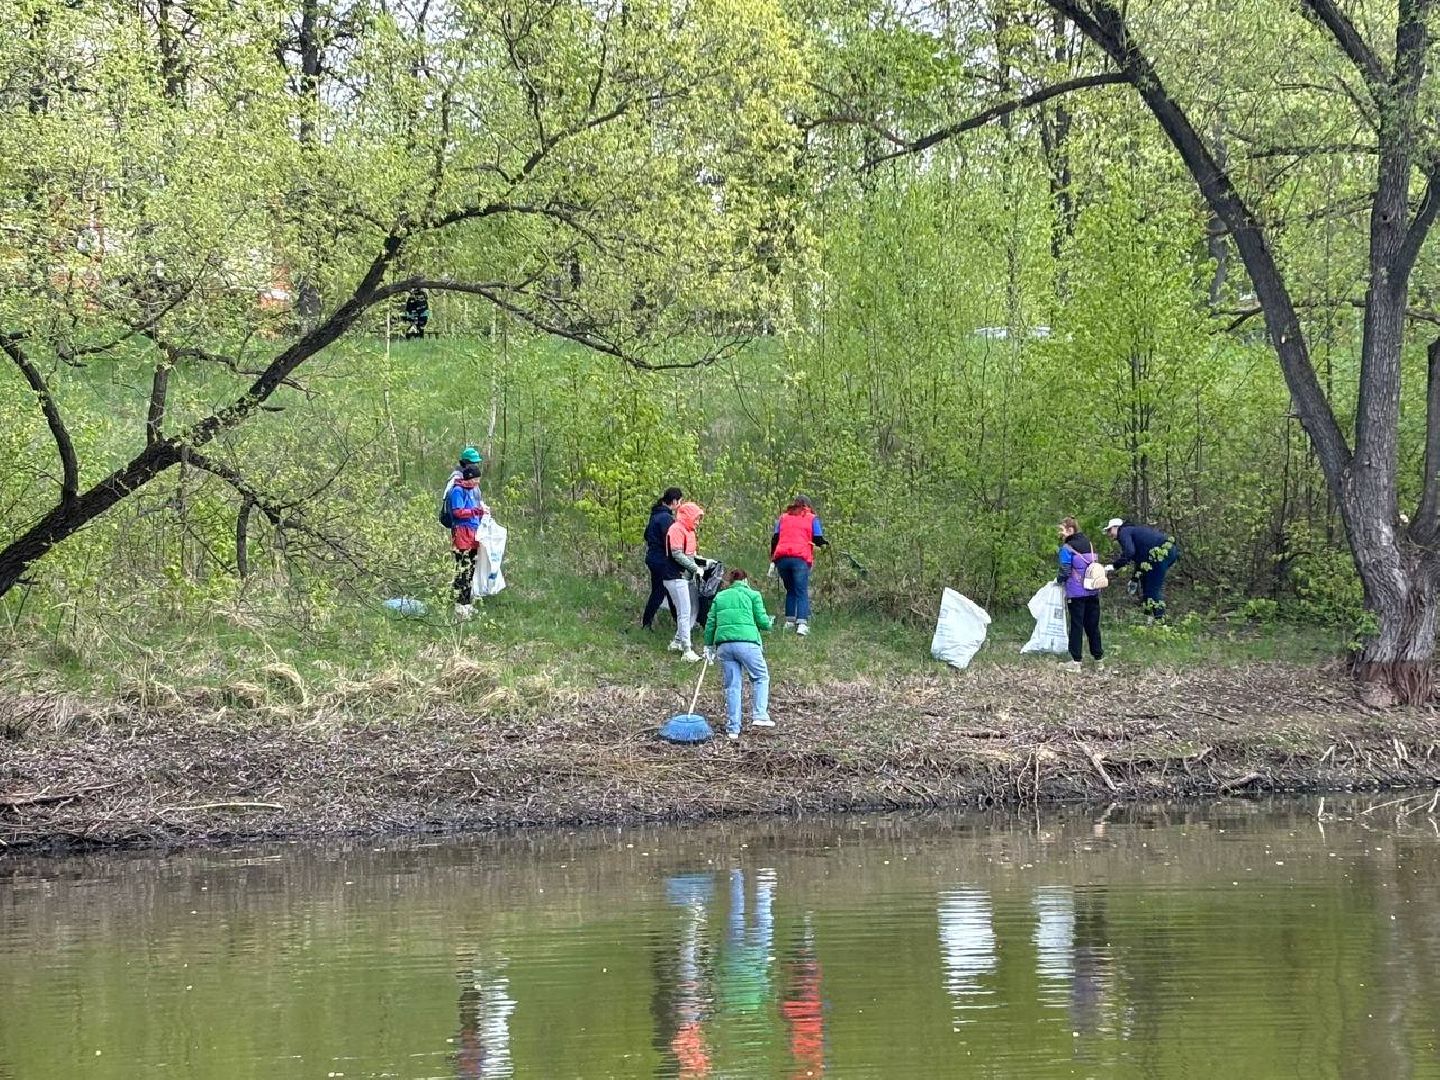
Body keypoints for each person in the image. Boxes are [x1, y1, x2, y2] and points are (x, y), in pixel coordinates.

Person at [703, 568, 774, 739]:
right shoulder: (753, 595)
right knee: (760, 677)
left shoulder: (720, 597)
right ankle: (760, 715)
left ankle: (733, 728)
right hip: (747, 643)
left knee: (733, 686)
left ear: (730, 581)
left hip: (724, 646)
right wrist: (770, 622)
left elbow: (710, 623)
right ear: (746, 580)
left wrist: (708, 646)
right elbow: (763, 623)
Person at [770, 496, 827, 636]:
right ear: (808, 505)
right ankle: (802, 624)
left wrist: (773, 558)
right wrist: (825, 545)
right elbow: (818, 538)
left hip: (782, 558)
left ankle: (789, 622)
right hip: (800, 558)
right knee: (801, 591)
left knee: (791, 590)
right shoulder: (811, 518)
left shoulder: (783, 517)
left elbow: (775, 538)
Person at [1103, 517, 1179, 620]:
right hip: (1165, 552)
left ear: (1116, 527)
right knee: (1146, 584)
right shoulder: (1132, 532)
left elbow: (1129, 552)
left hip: (1163, 553)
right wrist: (1134, 579)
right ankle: (1148, 618)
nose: (1109, 534)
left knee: (1152, 589)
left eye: (1109, 530)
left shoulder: (1124, 532)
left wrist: (1114, 566)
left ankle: (1160, 621)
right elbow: (1141, 561)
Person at [1058, 516, 1103, 673]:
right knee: (1093, 626)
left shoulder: (1067, 548)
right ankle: (1099, 660)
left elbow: (1065, 570)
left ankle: (1076, 662)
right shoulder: (1089, 544)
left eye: (1062, 530)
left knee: (1076, 626)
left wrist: (1058, 581)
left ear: (1070, 530)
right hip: (1093, 591)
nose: (1060, 534)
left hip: (1076, 593)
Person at [665, 501, 706, 661]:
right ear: (688, 516)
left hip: (687, 577)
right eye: (696, 518)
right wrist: (695, 568)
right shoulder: (676, 529)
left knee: (694, 608)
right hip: (676, 576)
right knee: (684, 611)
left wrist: (701, 561)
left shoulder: (690, 532)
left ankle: (677, 641)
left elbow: (690, 554)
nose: (698, 522)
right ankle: (687, 649)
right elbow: (677, 554)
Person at [447, 460, 487, 619]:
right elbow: (457, 512)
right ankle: (459, 604)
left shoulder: (473, 491)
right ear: (469, 477)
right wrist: (475, 511)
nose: (477, 482)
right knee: (463, 568)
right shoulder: (458, 491)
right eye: (475, 479)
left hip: (473, 534)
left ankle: (466, 602)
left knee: (471, 569)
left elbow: (474, 510)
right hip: (462, 534)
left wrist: (482, 512)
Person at [641, 488, 683, 631]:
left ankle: (680, 624)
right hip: (662, 561)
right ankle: (646, 624)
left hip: (653, 558)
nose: (680, 505)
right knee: (661, 593)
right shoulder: (666, 518)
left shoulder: (655, 515)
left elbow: (646, 535)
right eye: (680, 501)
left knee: (668, 593)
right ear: (674, 501)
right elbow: (671, 541)